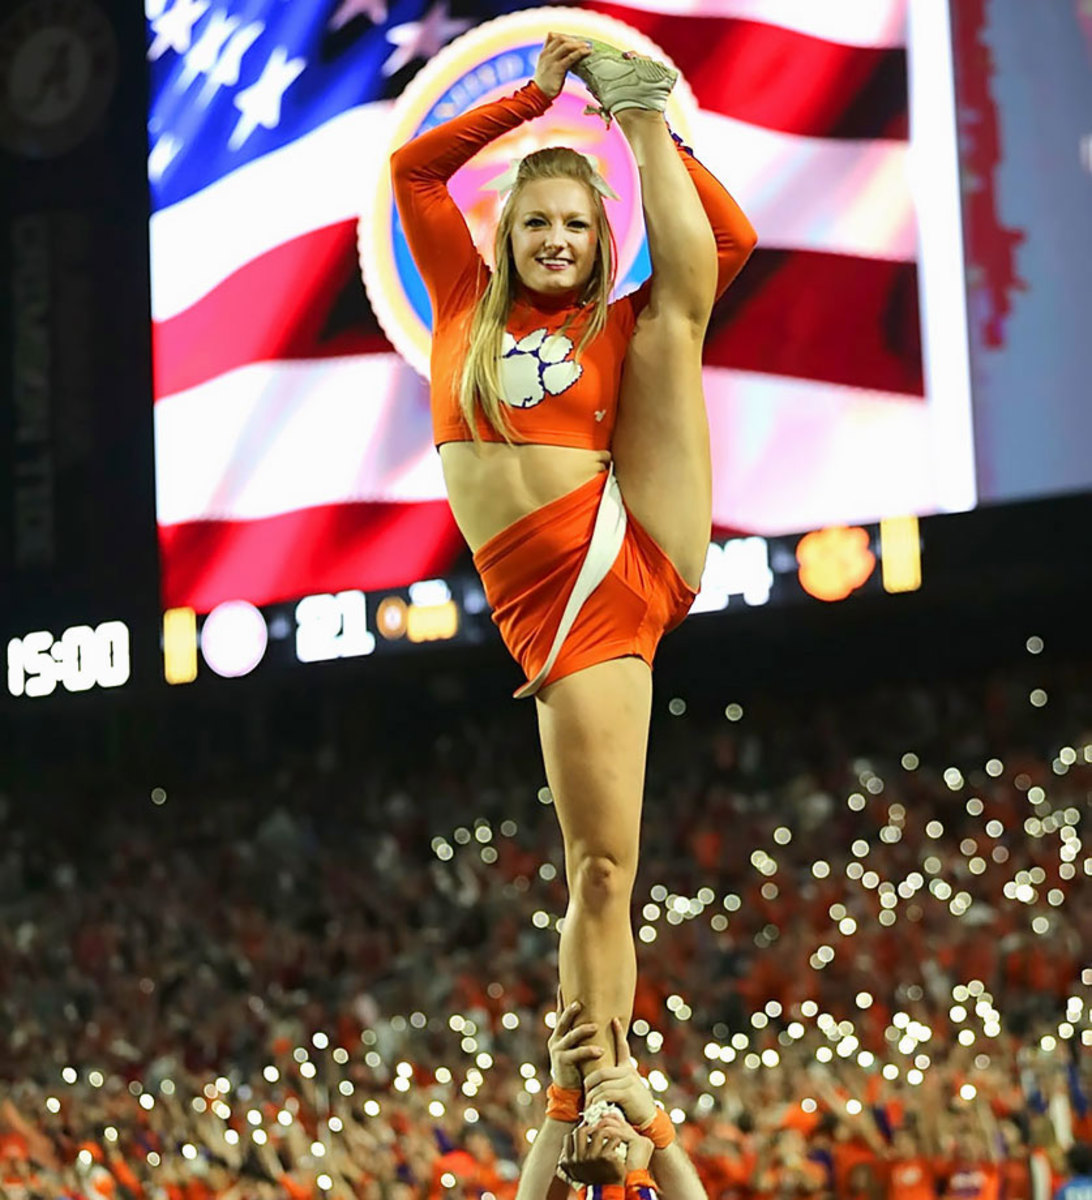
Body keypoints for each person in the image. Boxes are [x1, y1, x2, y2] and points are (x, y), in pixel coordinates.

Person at [390, 31, 756, 1072]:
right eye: (538, 222)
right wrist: (528, 100)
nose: (557, 239)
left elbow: (726, 239)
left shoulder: (612, 321)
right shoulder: (460, 299)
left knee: (602, 864)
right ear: (505, 234)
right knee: (592, 867)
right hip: (545, 604)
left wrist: (659, 134)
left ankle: (602, 1075)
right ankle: (584, 1077)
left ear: (603, 243)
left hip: (618, 568)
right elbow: (410, 171)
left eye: (578, 227)